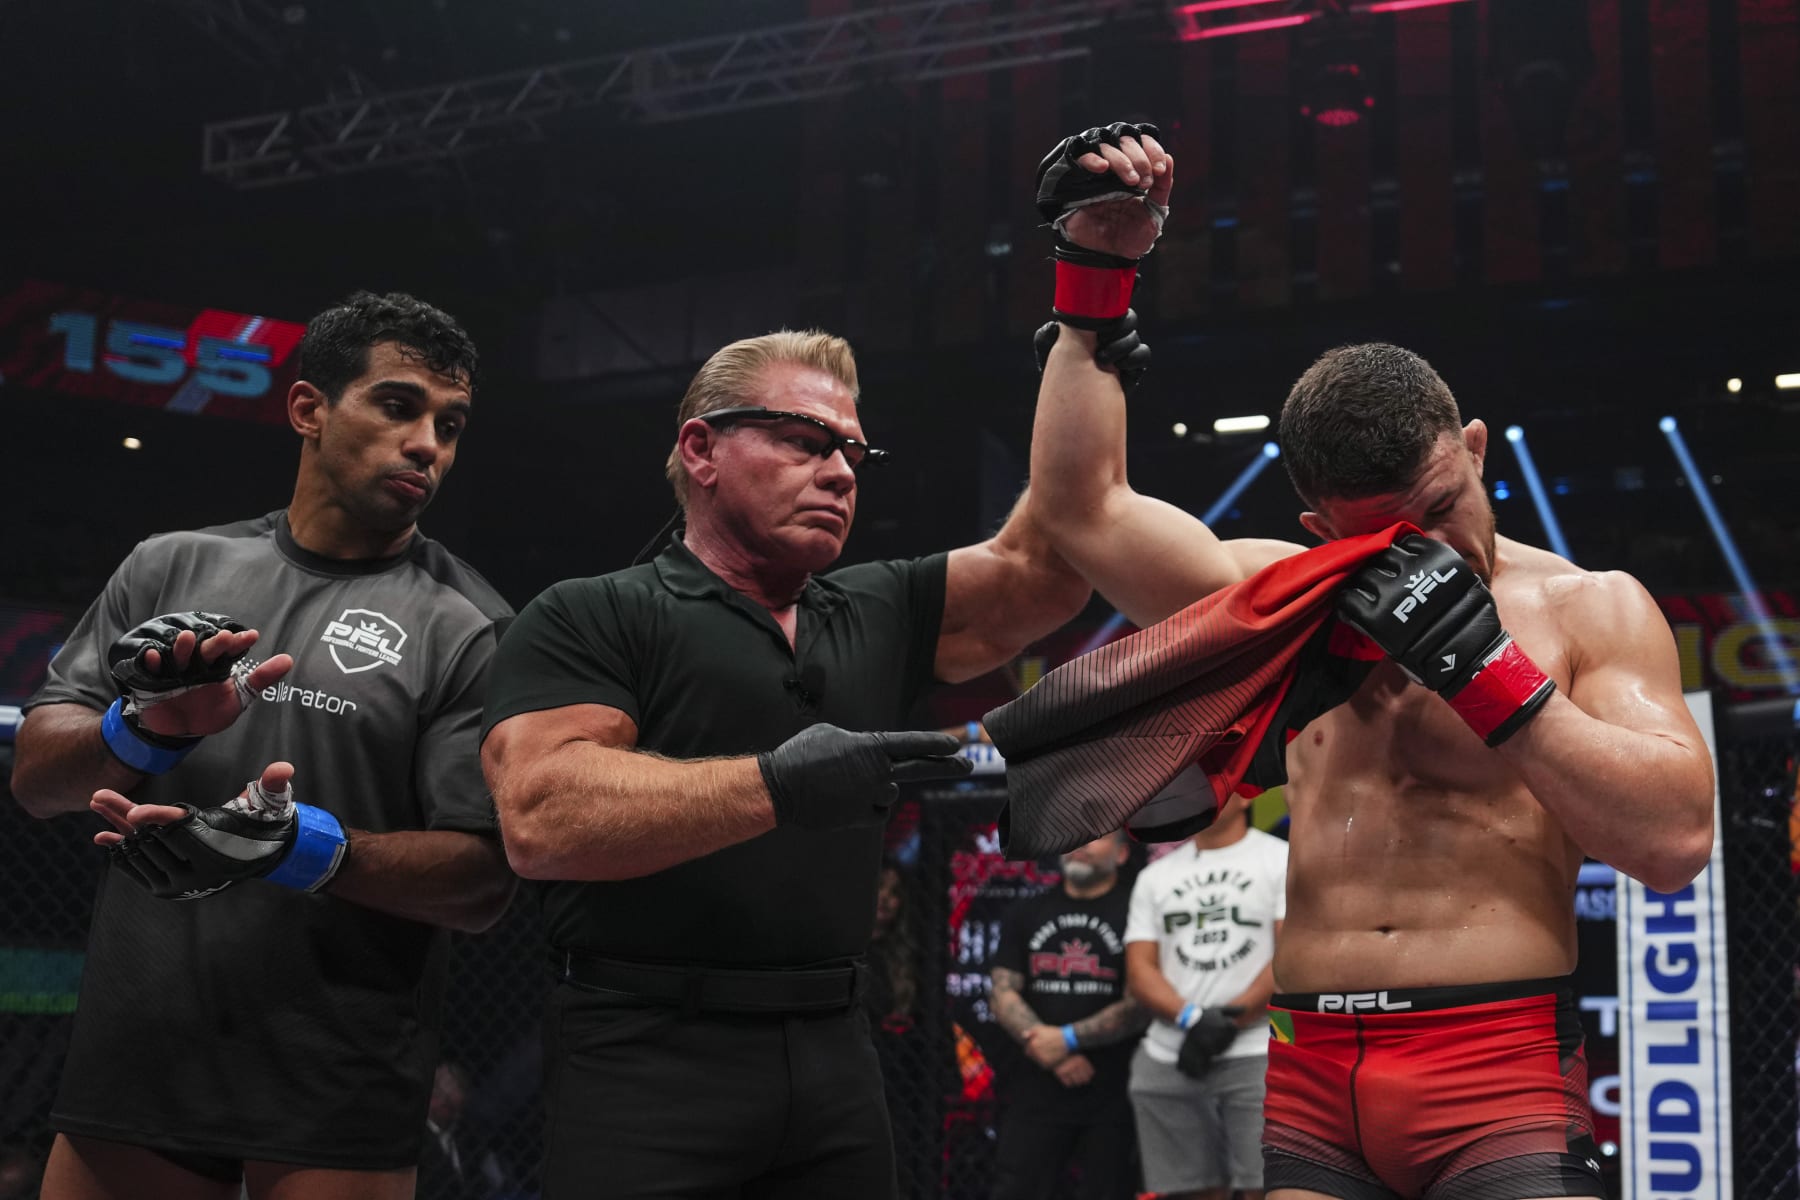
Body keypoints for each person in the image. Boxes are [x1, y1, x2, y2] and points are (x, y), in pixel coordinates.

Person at [1023, 124, 1715, 1200]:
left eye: (1445, 506)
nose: (1436, 551)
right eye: (1393, 535)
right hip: (1305, 1074)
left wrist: (1494, 679)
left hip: (1496, 1069)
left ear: (1477, 447)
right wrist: (1094, 279)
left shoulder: (1589, 607)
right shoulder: (1293, 604)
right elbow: (1083, 510)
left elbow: (1674, 840)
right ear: (1319, 526)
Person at [479, 328, 1093, 1197]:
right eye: (805, 443)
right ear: (702, 450)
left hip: (836, 1051)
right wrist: (778, 785)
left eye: (852, 452)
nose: (842, 473)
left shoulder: (879, 607)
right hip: (646, 1053)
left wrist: (1088, 325)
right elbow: (544, 817)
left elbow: (1052, 560)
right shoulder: (597, 613)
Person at [11, 291, 517, 1200]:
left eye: (451, 424)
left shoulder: (469, 625)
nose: (427, 446)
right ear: (308, 409)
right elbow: (38, 780)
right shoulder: (172, 566)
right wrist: (146, 726)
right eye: (399, 406)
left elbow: (482, 883)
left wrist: (302, 848)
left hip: (334, 1082)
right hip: (140, 1058)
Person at [1123, 791, 1285, 1200]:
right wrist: (1194, 1019)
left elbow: (1290, 955)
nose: (1205, 797)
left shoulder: (1280, 859)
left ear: (1248, 798)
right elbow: (1140, 970)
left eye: (1220, 786)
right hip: (1169, 1053)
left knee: (1266, 1188)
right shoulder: (1155, 876)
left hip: (1256, 1052)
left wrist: (1231, 1021)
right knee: (1187, 1190)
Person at [988, 830, 1145, 1200]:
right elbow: (1002, 992)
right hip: (1037, 1085)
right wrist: (1048, 1047)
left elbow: (1140, 1002)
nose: (1081, 845)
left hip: (1113, 1088)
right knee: (1017, 1188)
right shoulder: (1027, 911)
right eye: (1073, 836)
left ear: (1121, 855)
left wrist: (1067, 1039)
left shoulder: (1137, 912)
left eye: (1097, 838)